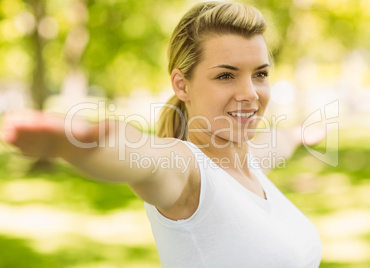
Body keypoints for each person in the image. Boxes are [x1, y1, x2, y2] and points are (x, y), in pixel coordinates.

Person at [0, 2, 322, 267]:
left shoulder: (248, 161)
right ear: (182, 84)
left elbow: (276, 144)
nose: (250, 93)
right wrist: (74, 142)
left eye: (260, 74)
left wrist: (300, 134)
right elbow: (140, 155)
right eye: (226, 75)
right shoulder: (188, 171)